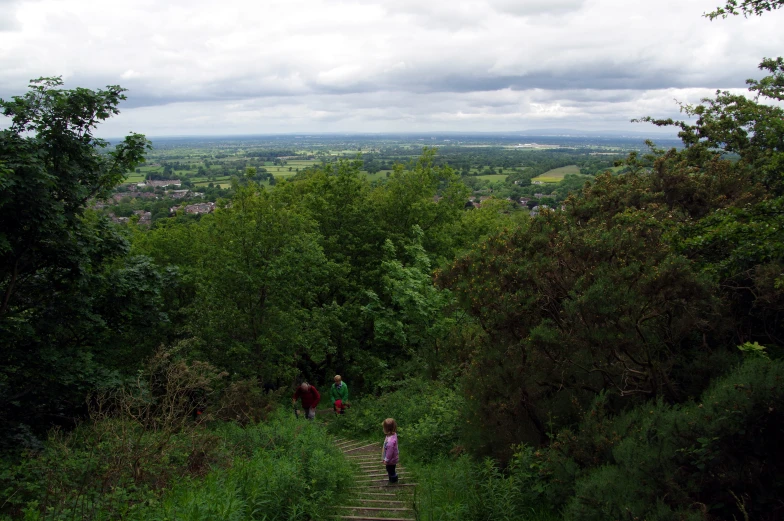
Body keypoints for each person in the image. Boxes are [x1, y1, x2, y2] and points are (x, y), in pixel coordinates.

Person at [381, 418, 399, 484]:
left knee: (390, 470)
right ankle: (392, 478)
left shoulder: (390, 442)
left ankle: (393, 480)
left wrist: (386, 460)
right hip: (393, 457)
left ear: (385, 429)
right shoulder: (393, 434)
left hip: (391, 459)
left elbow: (389, 452)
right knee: (391, 469)